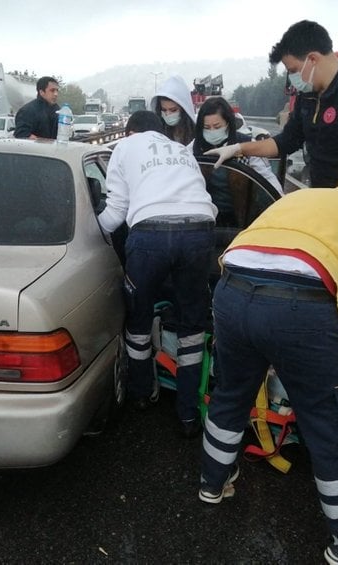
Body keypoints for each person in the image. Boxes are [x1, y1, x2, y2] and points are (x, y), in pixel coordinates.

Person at [199, 164, 338, 564]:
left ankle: (212, 481)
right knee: (332, 427)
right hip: (304, 309)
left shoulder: (306, 196)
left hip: (231, 289)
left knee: (231, 394)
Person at [97, 110, 217, 438]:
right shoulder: (181, 150)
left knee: (138, 318)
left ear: (130, 131)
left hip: (150, 235)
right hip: (199, 230)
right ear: (159, 130)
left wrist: (90, 232)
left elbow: (116, 212)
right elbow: (202, 200)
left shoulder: (123, 148)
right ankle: (188, 414)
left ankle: (140, 395)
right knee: (192, 324)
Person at [205, 20, 338, 188]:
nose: (292, 78)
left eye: (293, 70)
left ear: (313, 59)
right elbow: (286, 142)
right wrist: (238, 148)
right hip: (322, 198)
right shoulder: (306, 97)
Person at [191, 97, 283, 199]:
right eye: (207, 128)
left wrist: (280, 201)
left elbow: (266, 178)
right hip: (205, 208)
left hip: (240, 209)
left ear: (228, 124)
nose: (212, 131)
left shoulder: (246, 144)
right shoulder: (194, 148)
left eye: (217, 127)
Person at [150, 75, 197, 145]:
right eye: (164, 110)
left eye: (173, 110)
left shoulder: (196, 133)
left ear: (184, 109)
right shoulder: (157, 134)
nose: (168, 114)